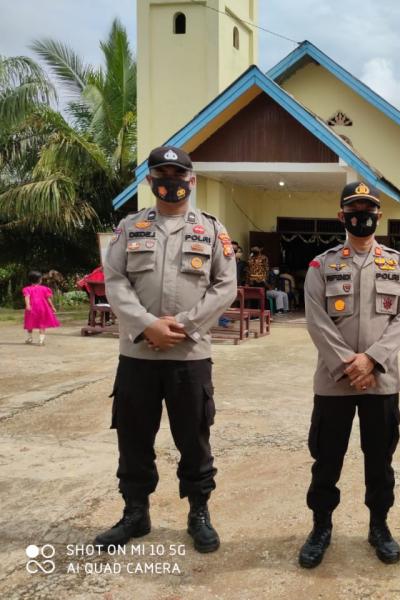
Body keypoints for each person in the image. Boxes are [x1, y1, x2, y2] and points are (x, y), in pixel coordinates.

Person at [98, 145, 237, 553]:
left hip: (189, 357)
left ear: (192, 180)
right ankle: (135, 513)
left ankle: (199, 513)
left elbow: (225, 285)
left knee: (194, 439)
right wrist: (147, 325)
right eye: (163, 175)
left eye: (178, 175)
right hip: (138, 355)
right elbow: (115, 280)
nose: (171, 182)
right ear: (150, 180)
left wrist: (185, 325)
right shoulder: (130, 227)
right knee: (133, 437)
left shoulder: (212, 230)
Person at [298, 181, 400, 568]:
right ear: (341, 216)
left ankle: (379, 526)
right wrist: (349, 364)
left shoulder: (399, 265)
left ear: (379, 215)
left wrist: (372, 361)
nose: (361, 216)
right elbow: (316, 319)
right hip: (334, 382)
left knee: (380, 460)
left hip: (381, 382)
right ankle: (321, 527)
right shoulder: (321, 265)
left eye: (368, 210)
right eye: (354, 210)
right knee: (326, 459)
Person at [22, 270, 60, 345]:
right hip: (43, 308)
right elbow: (48, 299)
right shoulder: (44, 289)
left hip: (32, 308)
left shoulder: (27, 289)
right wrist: (52, 307)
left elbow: (27, 297)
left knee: (30, 322)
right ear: (40, 280)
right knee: (42, 324)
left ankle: (30, 338)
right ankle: (41, 340)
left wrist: (28, 305)